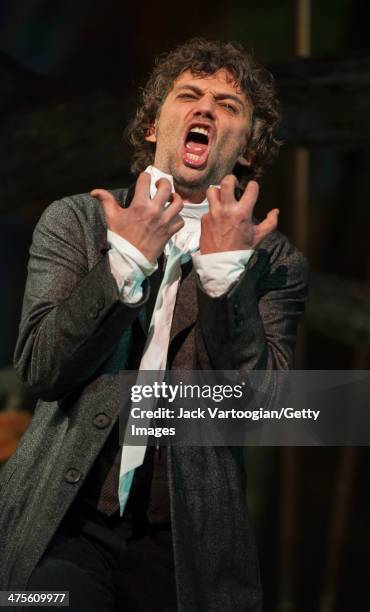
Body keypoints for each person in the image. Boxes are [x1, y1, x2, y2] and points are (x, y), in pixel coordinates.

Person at [0, 38, 308, 611]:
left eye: (227, 105)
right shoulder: (77, 222)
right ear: (152, 128)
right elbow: (42, 369)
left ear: (246, 150)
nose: (206, 108)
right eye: (189, 95)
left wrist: (225, 278)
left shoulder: (275, 263)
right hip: (62, 528)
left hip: (186, 548)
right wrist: (125, 264)